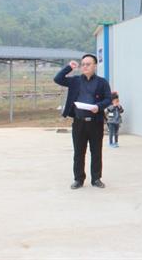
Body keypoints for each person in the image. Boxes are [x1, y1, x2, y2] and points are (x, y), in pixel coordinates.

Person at [54, 54, 112, 190]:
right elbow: (57, 79)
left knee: (96, 152)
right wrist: (69, 67)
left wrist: (98, 106)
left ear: (95, 66)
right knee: (79, 152)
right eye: (83, 64)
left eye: (88, 64)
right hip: (79, 122)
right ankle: (78, 179)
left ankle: (96, 179)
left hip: (95, 122)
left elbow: (108, 99)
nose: (85, 66)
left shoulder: (102, 82)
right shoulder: (75, 81)